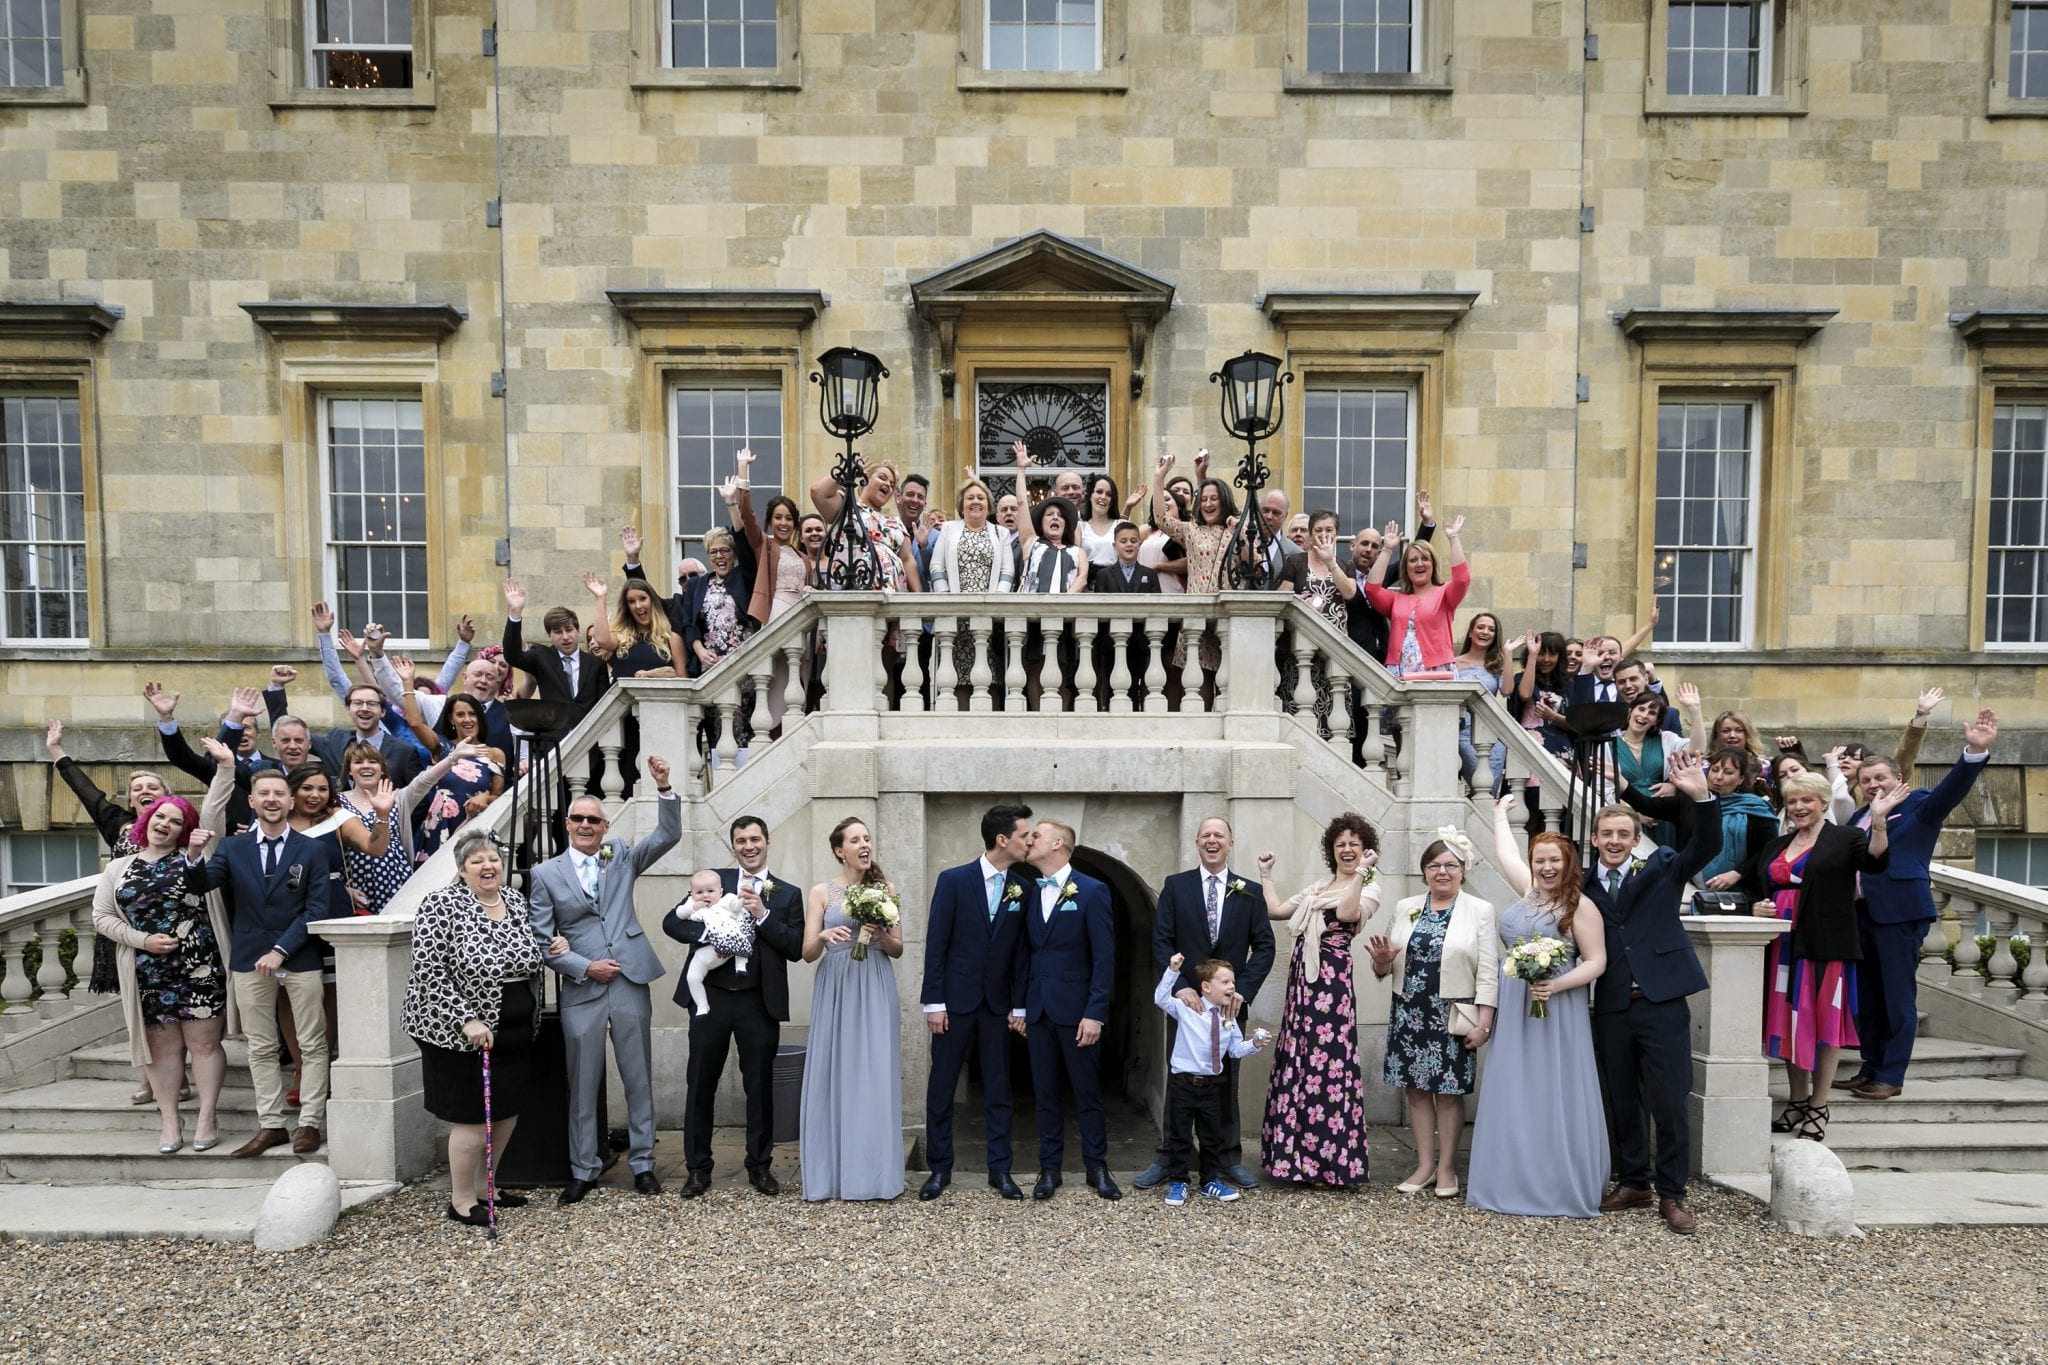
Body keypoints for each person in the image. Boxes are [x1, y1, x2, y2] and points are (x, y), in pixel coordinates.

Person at [527, 757, 681, 1203]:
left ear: (605, 823)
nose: (586, 825)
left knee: (639, 1076)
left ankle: (643, 1164)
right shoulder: (545, 874)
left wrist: (664, 788)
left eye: (594, 819)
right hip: (584, 986)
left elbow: (667, 835)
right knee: (583, 1081)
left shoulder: (621, 854)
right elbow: (539, 940)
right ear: (567, 823)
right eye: (578, 818)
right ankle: (584, 1168)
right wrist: (582, 966)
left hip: (630, 977)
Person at [1585, 749, 1719, 1234]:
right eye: (1607, 834)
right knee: (1621, 1097)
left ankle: (1674, 1193)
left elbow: (1704, 845)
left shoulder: (1663, 865)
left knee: (1668, 1100)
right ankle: (1635, 1180)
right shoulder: (1582, 886)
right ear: (1595, 840)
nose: (1615, 841)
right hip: (1613, 1004)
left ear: (1635, 838)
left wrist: (1700, 797)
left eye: (1623, 834)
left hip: (1662, 1001)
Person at [1844, 707, 1998, 1100]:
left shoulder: (1920, 806)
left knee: (1897, 998)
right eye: (1866, 780)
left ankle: (1891, 1075)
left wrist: (1973, 753)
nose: (1873, 785)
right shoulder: (1860, 817)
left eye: (1881, 778)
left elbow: (1953, 790)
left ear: (1899, 780)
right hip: (1860, 914)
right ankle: (1870, 1066)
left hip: (1899, 914)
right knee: (1868, 1000)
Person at [1466, 797, 1610, 1217]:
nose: (1547, 868)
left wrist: (1556, 984)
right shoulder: (1528, 893)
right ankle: (1510, 1175)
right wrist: (1498, 815)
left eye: (1554, 861)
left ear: (1568, 863)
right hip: (1516, 1007)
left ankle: (1555, 1181)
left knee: (1551, 1088)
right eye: (1540, 860)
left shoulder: (1579, 906)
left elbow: (1597, 961)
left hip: (1556, 1010)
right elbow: (1504, 852)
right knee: (1517, 1086)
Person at [182, 769, 338, 1157]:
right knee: (260, 1046)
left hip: (299, 958)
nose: (271, 799)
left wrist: (281, 950)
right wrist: (193, 856)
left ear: (290, 802)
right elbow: (200, 885)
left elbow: (315, 908)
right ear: (252, 801)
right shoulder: (233, 849)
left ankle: (309, 1123)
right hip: (249, 959)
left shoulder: (312, 849)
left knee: (312, 1043)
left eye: (279, 793)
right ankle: (271, 1124)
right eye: (263, 793)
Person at [93, 757, 237, 1155]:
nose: (165, 824)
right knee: (162, 1050)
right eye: (160, 817)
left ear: (185, 830)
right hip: (148, 969)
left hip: (199, 966)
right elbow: (101, 917)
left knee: (204, 1045)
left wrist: (224, 767)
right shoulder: (119, 867)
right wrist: (141, 939)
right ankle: (170, 1121)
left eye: (176, 821)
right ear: (146, 820)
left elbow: (215, 806)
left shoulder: (197, 859)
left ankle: (207, 1116)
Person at [1751, 770, 1903, 1143]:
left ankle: (1819, 1104)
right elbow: (1759, 886)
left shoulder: (1846, 836)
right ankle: (1797, 1100)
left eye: (1807, 800)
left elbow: (1874, 863)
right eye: (1792, 801)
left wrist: (1879, 823)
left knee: (1823, 1024)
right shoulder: (1778, 843)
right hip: (1781, 946)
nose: (1799, 807)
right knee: (1787, 1021)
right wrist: (1757, 907)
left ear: (1822, 803)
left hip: (1825, 942)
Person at [401, 829, 545, 1226]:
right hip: (458, 1033)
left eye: (494, 859)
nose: (488, 866)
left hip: (512, 1029)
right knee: (470, 1116)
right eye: (477, 861)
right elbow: (429, 970)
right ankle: (461, 1199)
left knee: (506, 1111)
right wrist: (466, 1019)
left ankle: (487, 1186)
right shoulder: (441, 904)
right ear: (462, 868)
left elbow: (526, 956)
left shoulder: (514, 900)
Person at [665, 813, 805, 1197]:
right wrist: (712, 933)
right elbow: (672, 923)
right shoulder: (714, 880)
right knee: (700, 1084)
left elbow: (795, 948)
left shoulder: (787, 893)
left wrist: (762, 915)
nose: (749, 846)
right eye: (741, 840)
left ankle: (760, 1166)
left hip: (759, 1003)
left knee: (760, 1087)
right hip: (710, 999)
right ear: (733, 845)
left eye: (755, 839)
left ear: (767, 842)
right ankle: (697, 1168)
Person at [1134, 816, 1274, 1192]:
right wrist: (1180, 985)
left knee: (1226, 1085)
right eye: (1206, 835)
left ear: (1230, 843)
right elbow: (1162, 940)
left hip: (1228, 1008)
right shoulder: (1176, 887)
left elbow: (1265, 946)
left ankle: (1226, 1160)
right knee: (1179, 1082)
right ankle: (1169, 1157)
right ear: (1197, 843)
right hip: (1186, 1004)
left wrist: (1241, 989)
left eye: (1219, 835)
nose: (1212, 841)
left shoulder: (1249, 892)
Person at [1367, 828, 1498, 1198]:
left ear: (1463, 870)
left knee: (1449, 1092)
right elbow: (1386, 967)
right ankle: (1424, 1164)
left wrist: (1484, 1023)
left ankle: (1446, 1168)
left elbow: (1488, 971)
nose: (1442, 872)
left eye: (1450, 865)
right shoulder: (1406, 907)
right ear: (1424, 871)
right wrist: (1380, 962)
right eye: (1434, 865)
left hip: (1451, 1013)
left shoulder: (1479, 911)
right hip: (1410, 1011)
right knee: (1417, 1092)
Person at [919, 802, 1034, 1202]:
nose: (1029, 841)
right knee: (942, 1086)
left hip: (997, 1006)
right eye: (1024, 835)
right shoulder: (953, 881)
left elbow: (1023, 952)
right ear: (1002, 839)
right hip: (953, 1002)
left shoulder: (1025, 886)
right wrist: (934, 1002)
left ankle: (1000, 1170)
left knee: (1000, 1088)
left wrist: (1019, 1006)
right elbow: (937, 944)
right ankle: (938, 1169)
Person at [1258, 813, 1378, 1188]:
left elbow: (1345, 914)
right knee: (1299, 1058)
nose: (1346, 850)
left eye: (1353, 845)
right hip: (1303, 981)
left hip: (1331, 982)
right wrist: (1266, 874)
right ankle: (1293, 1161)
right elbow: (1277, 911)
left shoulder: (1370, 885)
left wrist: (1361, 873)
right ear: (1331, 849)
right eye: (1340, 844)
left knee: (1328, 1064)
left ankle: (1329, 1164)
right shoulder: (1317, 887)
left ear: (1365, 850)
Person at [798, 816, 905, 1202]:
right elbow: (807, 953)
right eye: (855, 839)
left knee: (874, 1071)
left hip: (874, 980)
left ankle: (874, 1176)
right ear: (838, 850)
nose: (864, 845)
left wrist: (880, 934)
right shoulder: (821, 892)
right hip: (837, 984)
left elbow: (898, 948)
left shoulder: (885, 888)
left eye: (867, 838)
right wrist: (824, 935)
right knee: (835, 1070)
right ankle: (832, 1175)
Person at [1021, 818, 1119, 1201]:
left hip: (1079, 1012)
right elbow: (1025, 955)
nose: (1029, 841)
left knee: (1087, 1092)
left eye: (1036, 836)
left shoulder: (1093, 891)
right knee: (1044, 1092)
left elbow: (1104, 957)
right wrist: (1020, 1006)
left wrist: (1095, 1012)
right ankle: (1050, 1169)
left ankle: (1097, 1166)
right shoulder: (1029, 892)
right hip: (1039, 1010)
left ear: (1058, 843)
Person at [1153, 953, 1268, 1207]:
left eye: (1233, 982)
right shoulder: (1186, 1008)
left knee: (1211, 1136)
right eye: (1225, 982)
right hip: (1184, 1084)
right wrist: (1172, 971)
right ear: (1206, 987)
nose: (1232, 987)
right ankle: (1179, 1181)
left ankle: (1209, 1181)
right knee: (1180, 1136)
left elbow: (1235, 1049)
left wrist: (1255, 1044)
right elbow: (1160, 998)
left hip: (1211, 1086)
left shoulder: (1228, 1016)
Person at [1275, 509, 1357, 735]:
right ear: (1310, 535)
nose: (1323, 535)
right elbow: (1281, 599)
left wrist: (1331, 562)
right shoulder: (1296, 562)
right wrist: (1299, 601)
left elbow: (1349, 592)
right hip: (1303, 650)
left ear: (1336, 534)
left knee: (1334, 712)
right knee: (1301, 712)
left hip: (1335, 650)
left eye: (1329, 530)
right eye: (1318, 530)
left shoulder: (1344, 565)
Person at [1362, 513, 1470, 677]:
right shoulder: (1397, 599)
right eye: (1413, 560)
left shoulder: (1444, 594)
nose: (1419, 564)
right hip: (1400, 673)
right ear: (1406, 568)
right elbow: (1371, 589)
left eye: (1425, 559)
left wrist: (1453, 538)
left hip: (1437, 672)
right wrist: (1387, 549)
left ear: (1432, 565)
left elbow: (1462, 579)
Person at [500, 578, 610, 728]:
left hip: (588, 740)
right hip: (554, 742)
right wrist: (515, 613)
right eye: (558, 632)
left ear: (577, 630)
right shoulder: (541, 656)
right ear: (549, 635)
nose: (565, 637)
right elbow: (513, 656)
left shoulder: (596, 664)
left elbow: (603, 705)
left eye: (569, 630)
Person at [808, 456, 921, 591]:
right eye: (882, 478)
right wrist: (846, 472)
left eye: (892, 485)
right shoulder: (847, 506)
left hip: (891, 594)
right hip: (852, 589)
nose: (888, 485)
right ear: (866, 477)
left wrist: (920, 600)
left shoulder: (896, 522)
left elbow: (908, 561)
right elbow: (818, 493)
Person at [1697, 748, 1781, 899]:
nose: (1718, 777)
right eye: (1714, 770)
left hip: (1745, 891)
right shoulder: (1694, 804)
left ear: (1741, 779)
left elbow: (1769, 850)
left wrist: (1738, 873)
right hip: (1694, 889)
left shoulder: (1755, 808)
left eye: (1728, 772)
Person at [1450, 611, 1508, 791]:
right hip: (1457, 731)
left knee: (1487, 790)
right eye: (1480, 627)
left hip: (1487, 733)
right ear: (1470, 632)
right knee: (1480, 783)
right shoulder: (1452, 662)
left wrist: (1508, 654)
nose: (1485, 632)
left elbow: (1507, 691)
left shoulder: (1497, 665)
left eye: (1491, 629)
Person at [1613, 691, 1681, 845]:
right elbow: (1603, 790)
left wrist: (1694, 710)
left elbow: (1698, 748)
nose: (1644, 715)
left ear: (1656, 721)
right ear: (1631, 711)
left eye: (1651, 713)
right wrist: (1637, 814)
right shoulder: (1608, 746)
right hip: (1627, 817)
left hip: (1663, 817)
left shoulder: (1666, 740)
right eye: (1641, 709)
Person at [1077, 472, 1124, 567]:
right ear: (1090, 495)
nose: (1103, 497)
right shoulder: (1079, 527)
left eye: (1109, 494)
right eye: (1099, 492)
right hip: (1088, 579)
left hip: (1115, 579)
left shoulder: (1121, 525)